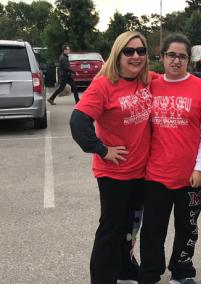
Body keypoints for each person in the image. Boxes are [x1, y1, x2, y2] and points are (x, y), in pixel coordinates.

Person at [70, 31, 154, 284]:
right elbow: (78, 122)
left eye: (141, 51)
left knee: (131, 227)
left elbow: (178, 79)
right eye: (129, 51)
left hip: (142, 171)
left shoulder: (147, 80)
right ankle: (103, 278)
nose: (136, 56)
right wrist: (103, 150)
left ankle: (125, 268)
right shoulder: (104, 85)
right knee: (111, 229)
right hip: (114, 174)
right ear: (118, 54)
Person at [138, 34, 201, 284]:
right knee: (152, 229)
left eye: (182, 56)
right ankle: (150, 273)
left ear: (188, 59)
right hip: (155, 173)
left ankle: (182, 272)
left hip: (190, 176)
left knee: (187, 228)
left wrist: (200, 167)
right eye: (171, 55)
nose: (176, 60)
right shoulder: (151, 84)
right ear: (162, 57)